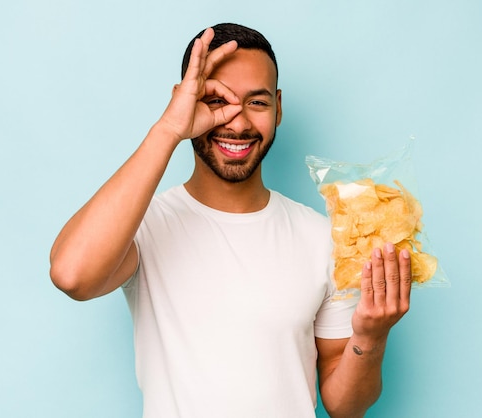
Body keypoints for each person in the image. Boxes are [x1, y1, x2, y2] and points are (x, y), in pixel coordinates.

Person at [50, 23, 412, 418]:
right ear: (185, 102)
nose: (238, 124)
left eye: (256, 103)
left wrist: (371, 336)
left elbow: (346, 406)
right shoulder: (144, 227)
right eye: (216, 101)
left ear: (278, 107)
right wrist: (170, 128)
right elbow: (72, 275)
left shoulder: (321, 237)